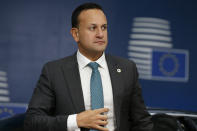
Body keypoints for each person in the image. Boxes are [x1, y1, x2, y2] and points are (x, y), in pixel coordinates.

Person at [24, 2, 153, 131]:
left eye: (104, 27)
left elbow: (142, 122)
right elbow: (33, 121)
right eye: (93, 28)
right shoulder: (54, 72)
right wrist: (76, 121)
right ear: (76, 34)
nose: (100, 34)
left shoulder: (126, 69)